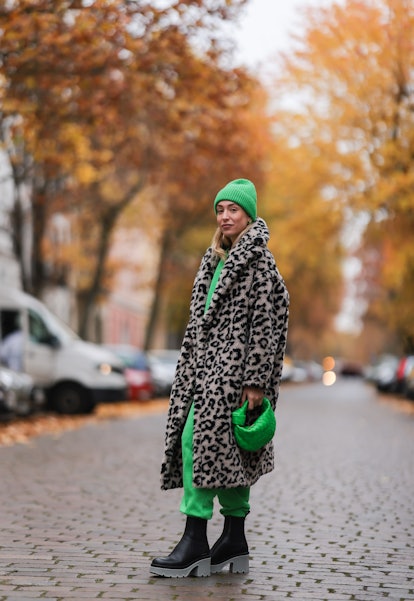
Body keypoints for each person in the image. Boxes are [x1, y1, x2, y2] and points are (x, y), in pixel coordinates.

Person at [150, 178, 289, 578]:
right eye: (220, 209)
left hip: (234, 376)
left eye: (233, 210)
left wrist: (255, 380)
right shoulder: (213, 259)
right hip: (203, 371)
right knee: (230, 454)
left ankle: (195, 541)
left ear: (248, 214)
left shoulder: (259, 261)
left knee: (199, 439)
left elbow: (270, 321)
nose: (225, 216)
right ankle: (234, 539)